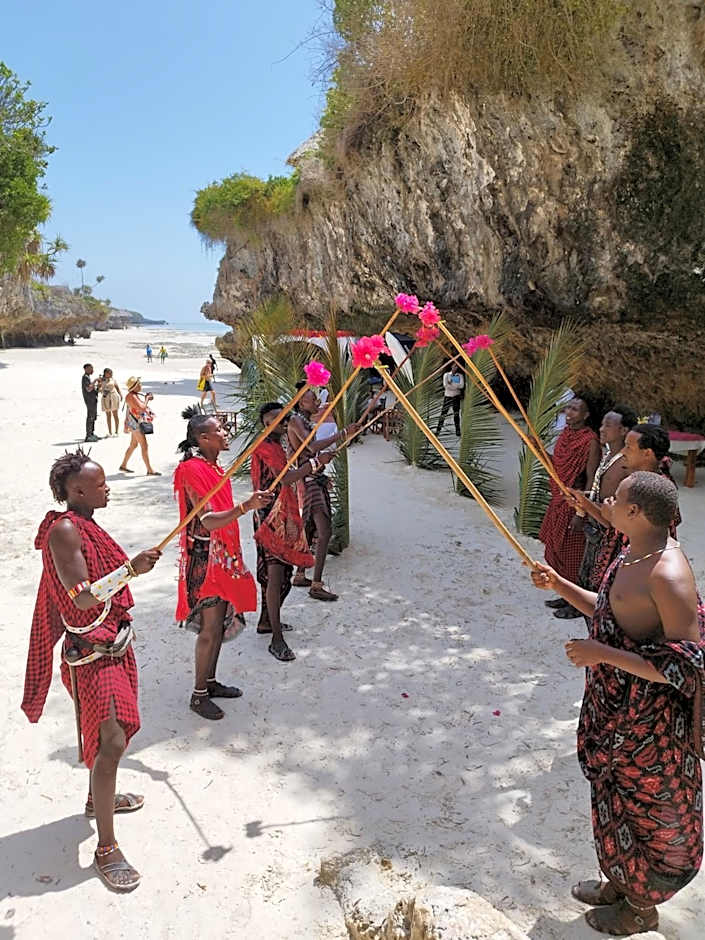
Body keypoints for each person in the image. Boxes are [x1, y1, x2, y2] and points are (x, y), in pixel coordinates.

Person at [530, 472, 704, 936]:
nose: (605, 500)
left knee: (646, 813)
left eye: (616, 498)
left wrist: (600, 654)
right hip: (613, 711)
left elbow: (686, 664)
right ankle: (621, 882)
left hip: (649, 728)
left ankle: (640, 910)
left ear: (637, 513)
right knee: (613, 802)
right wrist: (560, 585)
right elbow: (609, 609)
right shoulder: (631, 552)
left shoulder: (668, 574)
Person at [22, 450, 160, 891]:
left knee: (109, 740)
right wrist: (129, 571)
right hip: (93, 655)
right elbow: (82, 598)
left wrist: (126, 572)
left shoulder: (85, 523)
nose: (107, 488)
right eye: (100, 484)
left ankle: (97, 798)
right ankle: (106, 849)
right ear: (77, 491)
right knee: (112, 743)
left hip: (112, 644)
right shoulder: (64, 531)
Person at [173, 407, 270, 720]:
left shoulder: (214, 468)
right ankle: (198, 695)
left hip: (222, 557)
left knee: (217, 625)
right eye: (220, 429)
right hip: (205, 560)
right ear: (203, 438)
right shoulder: (191, 470)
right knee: (210, 628)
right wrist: (246, 506)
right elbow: (208, 521)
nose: (226, 432)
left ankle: (211, 683)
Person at [251, 403, 335, 661]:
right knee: (276, 576)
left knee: (281, 575)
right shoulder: (266, 447)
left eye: (278, 419)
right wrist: (315, 463)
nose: (274, 424)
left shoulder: (277, 445)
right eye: (269, 421)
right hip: (270, 517)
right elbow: (284, 478)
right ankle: (276, 638)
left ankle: (267, 622)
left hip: (283, 513)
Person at [574, 423, 680, 591]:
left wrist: (610, 513)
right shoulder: (634, 481)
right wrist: (585, 503)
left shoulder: (657, 489)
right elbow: (613, 523)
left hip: (635, 572)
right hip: (616, 562)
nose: (623, 452)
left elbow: (636, 531)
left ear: (647, 453)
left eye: (629, 447)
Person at [288, 382, 356, 601]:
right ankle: (316, 585)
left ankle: (300, 575)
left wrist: (322, 473)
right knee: (324, 531)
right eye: (311, 399)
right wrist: (343, 433)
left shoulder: (303, 420)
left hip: (313, 478)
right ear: (300, 402)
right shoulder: (295, 420)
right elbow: (311, 448)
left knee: (309, 528)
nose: (317, 402)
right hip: (309, 481)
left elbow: (311, 453)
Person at [538, 397, 601, 619]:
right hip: (558, 500)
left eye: (575, 409)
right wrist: (538, 449)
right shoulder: (565, 434)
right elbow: (557, 466)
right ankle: (564, 594)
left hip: (574, 504)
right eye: (568, 408)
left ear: (585, 415)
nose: (569, 412)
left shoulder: (591, 441)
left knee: (573, 556)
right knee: (555, 551)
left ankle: (577, 603)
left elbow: (592, 478)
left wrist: (581, 512)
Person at [575, 406, 638, 591]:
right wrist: (582, 499)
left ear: (624, 430)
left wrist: (585, 502)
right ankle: (574, 601)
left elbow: (613, 503)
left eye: (608, 425)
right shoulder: (609, 454)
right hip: (595, 521)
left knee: (599, 574)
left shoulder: (625, 464)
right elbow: (599, 491)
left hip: (608, 527)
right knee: (587, 565)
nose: (601, 429)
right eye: (602, 424)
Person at [120, 377, 159, 476]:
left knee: (133, 445)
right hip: (136, 423)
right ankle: (149, 470)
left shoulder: (133, 395)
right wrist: (147, 399)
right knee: (144, 446)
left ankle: (123, 465)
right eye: (139, 384)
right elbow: (142, 408)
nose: (141, 386)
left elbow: (129, 409)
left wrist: (126, 422)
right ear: (135, 386)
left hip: (133, 422)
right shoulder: (132, 396)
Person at [436, 361, 465, 437]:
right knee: (443, 413)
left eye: (457, 366)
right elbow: (445, 385)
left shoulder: (460, 376)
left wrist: (452, 385)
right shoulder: (446, 375)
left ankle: (458, 430)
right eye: (454, 366)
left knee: (456, 414)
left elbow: (461, 385)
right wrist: (455, 386)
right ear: (451, 366)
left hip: (456, 396)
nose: (455, 368)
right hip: (448, 396)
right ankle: (438, 430)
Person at [100, 368, 122, 437]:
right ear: (105, 373)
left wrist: (120, 395)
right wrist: (101, 390)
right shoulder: (101, 380)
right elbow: (99, 388)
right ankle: (110, 432)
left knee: (115, 415)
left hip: (114, 396)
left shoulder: (113, 380)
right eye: (109, 373)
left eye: (111, 373)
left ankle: (116, 431)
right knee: (108, 415)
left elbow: (117, 387)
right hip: (105, 397)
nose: (111, 374)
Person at [82, 363, 101, 443]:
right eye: (91, 368)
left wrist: (98, 386)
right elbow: (88, 389)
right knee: (90, 417)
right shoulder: (85, 378)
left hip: (93, 400)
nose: (92, 370)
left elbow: (92, 389)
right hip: (89, 400)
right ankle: (88, 435)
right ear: (86, 369)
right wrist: (95, 381)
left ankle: (92, 433)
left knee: (93, 416)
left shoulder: (88, 378)